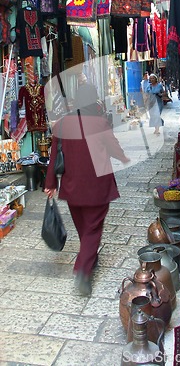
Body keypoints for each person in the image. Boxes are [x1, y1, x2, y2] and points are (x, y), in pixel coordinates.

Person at [44, 81, 130, 297]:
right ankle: (82, 271)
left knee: (84, 227)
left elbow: (54, 156)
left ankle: (90, 258)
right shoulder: (99, 123)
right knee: (92, 229)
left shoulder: (62, 124)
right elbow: (113, 147)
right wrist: (123, 157)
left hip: (72, 188)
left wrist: (50, 184)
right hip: (97, 187)